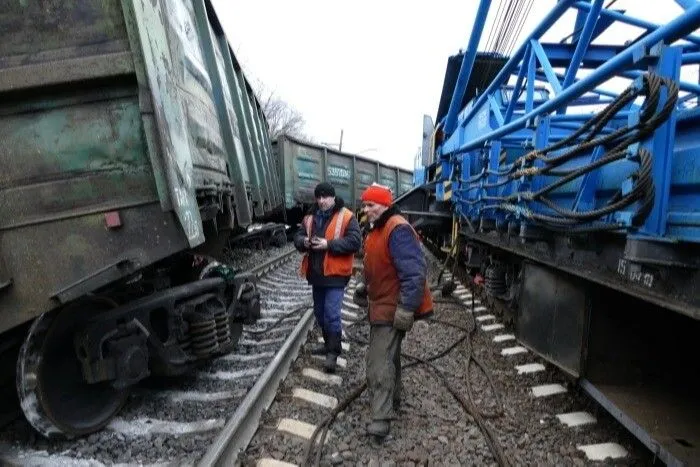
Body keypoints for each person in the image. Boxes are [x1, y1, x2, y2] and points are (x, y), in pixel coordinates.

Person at [354, 183, 433, 439]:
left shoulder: (397, 229)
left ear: (385, 205)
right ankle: (393, 400)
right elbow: (376, 264)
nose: (366, 209)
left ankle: (381, 419)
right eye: (365, 205)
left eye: (371, 205)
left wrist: (407, 308)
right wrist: (364, 285)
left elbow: (414, 273)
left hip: (392, 306)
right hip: (382, 305)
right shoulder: (377, 229)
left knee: (379, 361)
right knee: (390, 356)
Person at [294, 182, 362, 373]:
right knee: (320, 313)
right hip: (317, 274)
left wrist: (328, 244)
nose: (322, 201)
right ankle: (327, 344)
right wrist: (304, 241)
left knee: (332, 314)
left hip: (336, 275)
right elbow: (297, 237)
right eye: (319, 197)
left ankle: (333, 352)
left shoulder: (346, 216)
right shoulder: (310, 217)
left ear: (333, 197)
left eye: (325, 197)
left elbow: (355, 242)